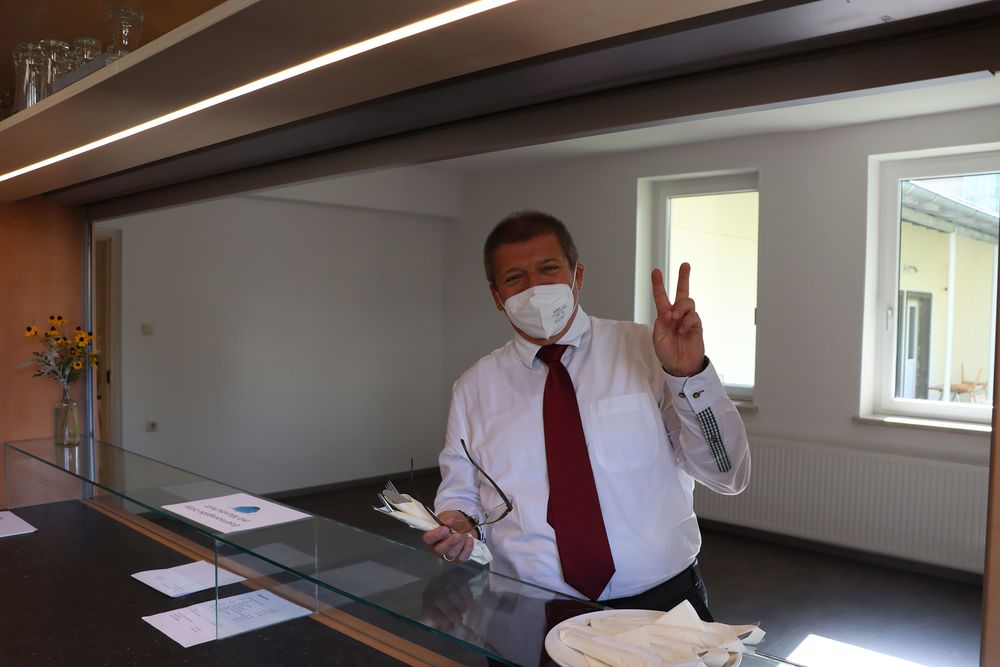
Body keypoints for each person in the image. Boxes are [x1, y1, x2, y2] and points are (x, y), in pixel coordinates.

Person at [422, 210, 749, 620]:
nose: (535, 288)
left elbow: (727, 474)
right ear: (497, 296)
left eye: (549, 269)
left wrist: (689, 375)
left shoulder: (647, 352)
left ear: (577, 276)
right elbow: (461, 490)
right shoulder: (473, 388)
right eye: (515, 278)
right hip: (527, 609)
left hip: (661, 607)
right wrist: (457, 523)